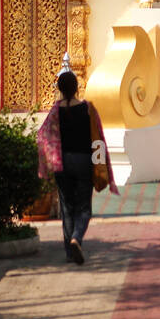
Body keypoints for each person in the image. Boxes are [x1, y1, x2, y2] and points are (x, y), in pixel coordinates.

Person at [36, 70, 118, 265]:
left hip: (62, 162)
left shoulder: (55, 111)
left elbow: (42, 136)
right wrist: (101, 165)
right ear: (77, 88)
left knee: (67, 207)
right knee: (83, 207)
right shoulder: (88, 109)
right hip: (84, 162)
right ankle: (76, 238)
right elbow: (98, 138)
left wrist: (48, 162)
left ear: (59, 89)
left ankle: (68, 252)